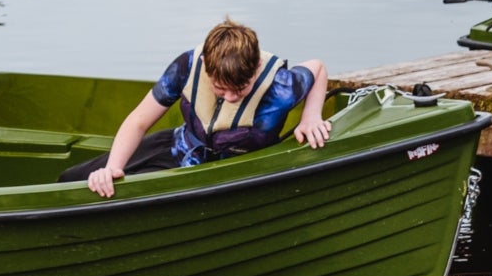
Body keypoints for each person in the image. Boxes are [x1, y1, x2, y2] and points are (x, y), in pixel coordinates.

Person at [67, 19, 331, 198]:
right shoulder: (187, 67)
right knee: (73, 180)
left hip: (236, 170)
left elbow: (317, 68)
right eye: (220, 88)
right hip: (178, 148)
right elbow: (138, 120)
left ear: (256, 70)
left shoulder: (280, 87)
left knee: (139, 192)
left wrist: (310, 116)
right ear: (206, 65)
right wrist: (112, 168)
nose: (229, 97)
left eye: (240, 89)